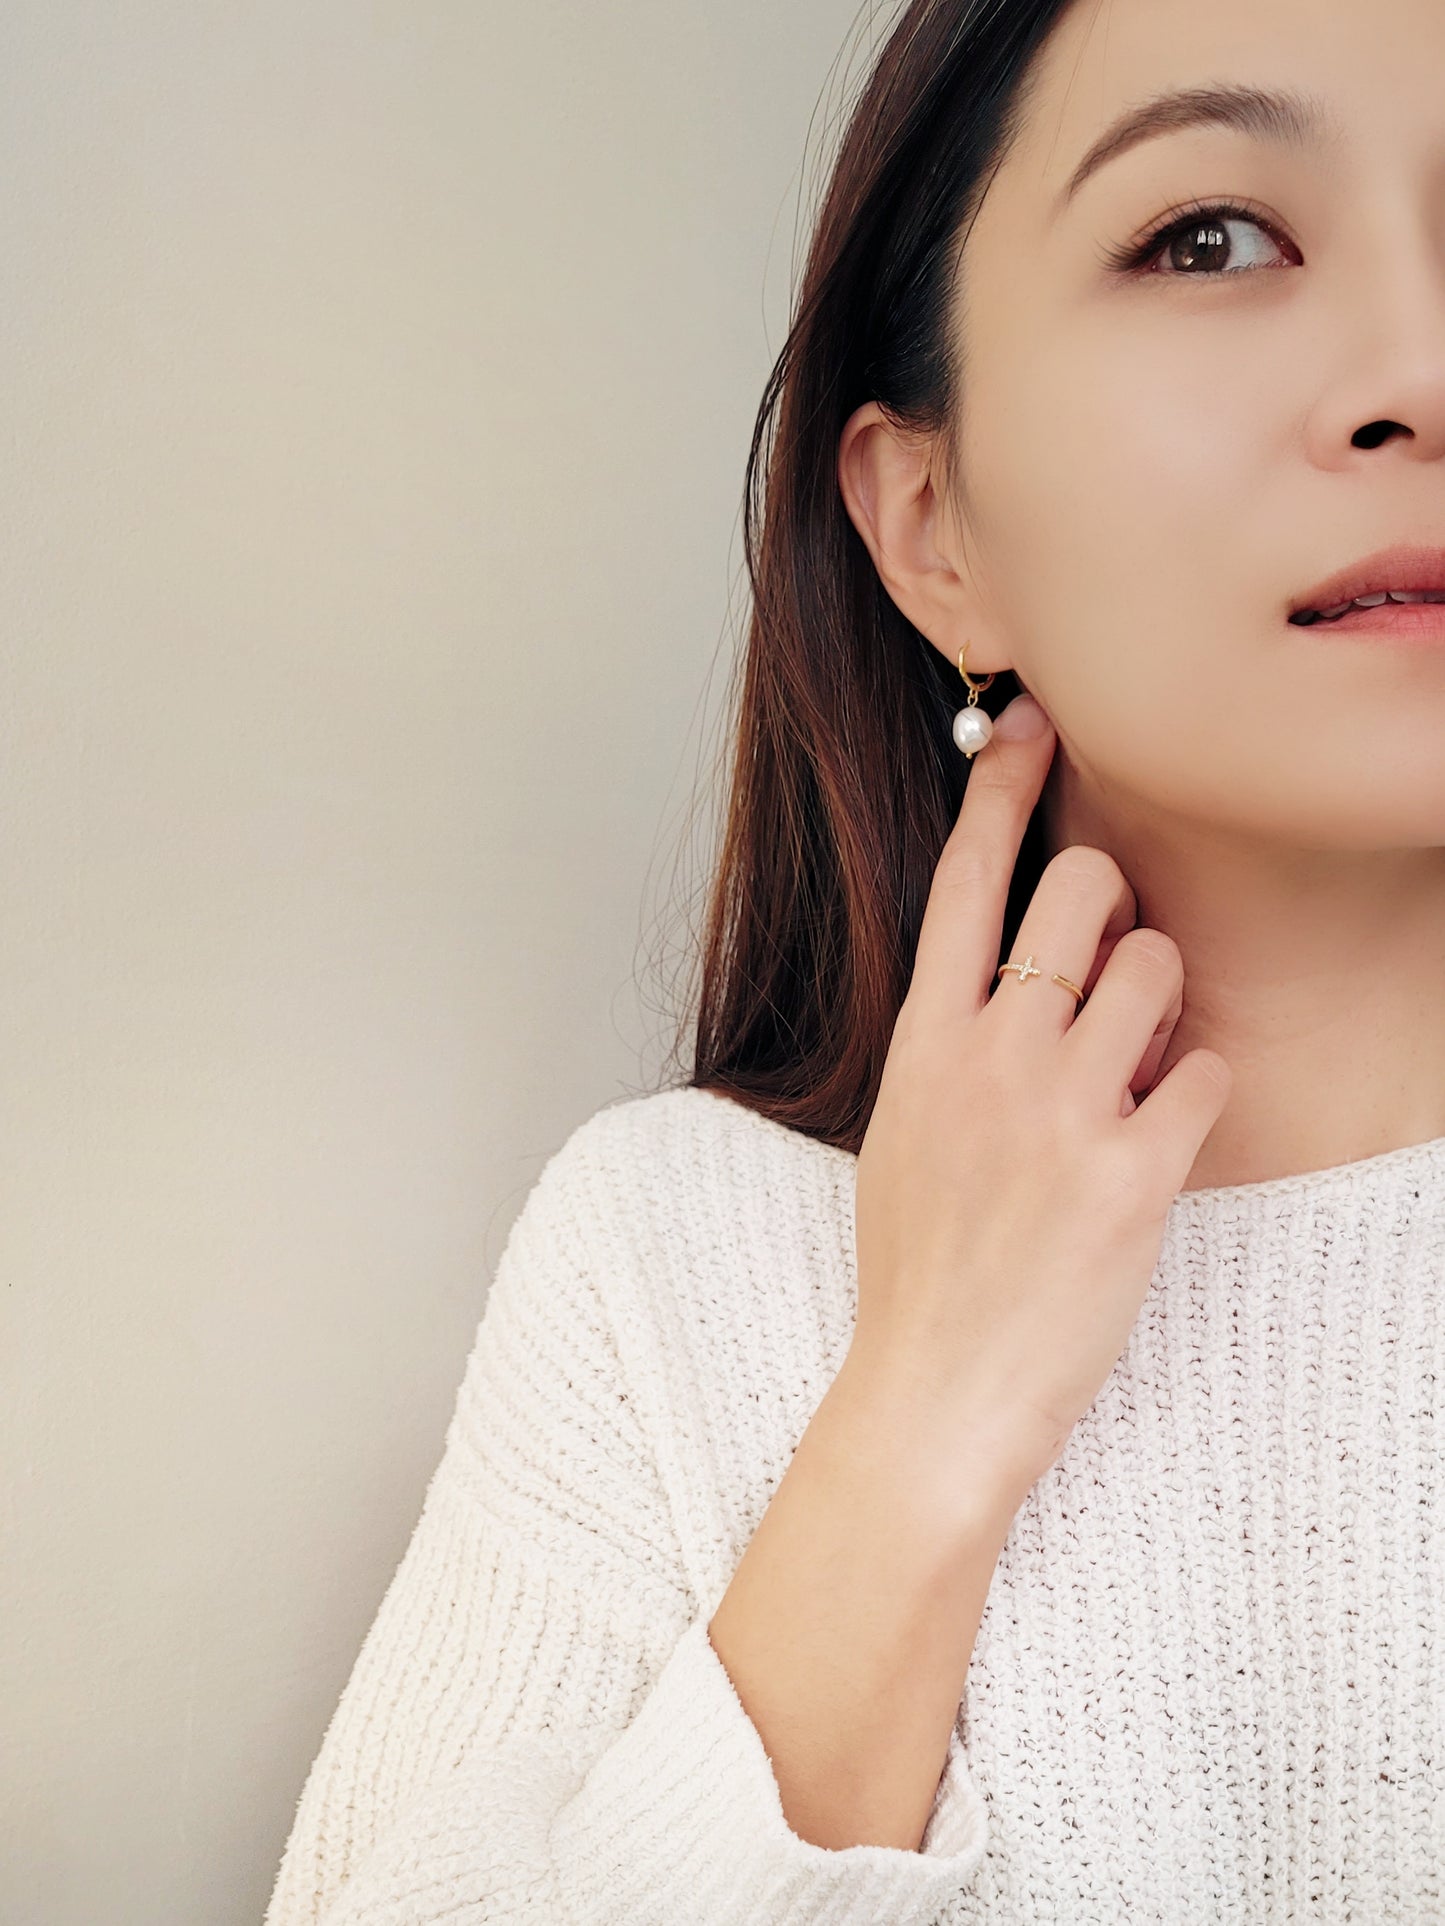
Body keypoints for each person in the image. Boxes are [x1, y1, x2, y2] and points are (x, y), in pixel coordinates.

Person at [263, 0, 1445, 1918]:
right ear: (927, 524)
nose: (1420, 368)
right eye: (1209, 235)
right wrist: (923, 1416)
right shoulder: (669, 1262)